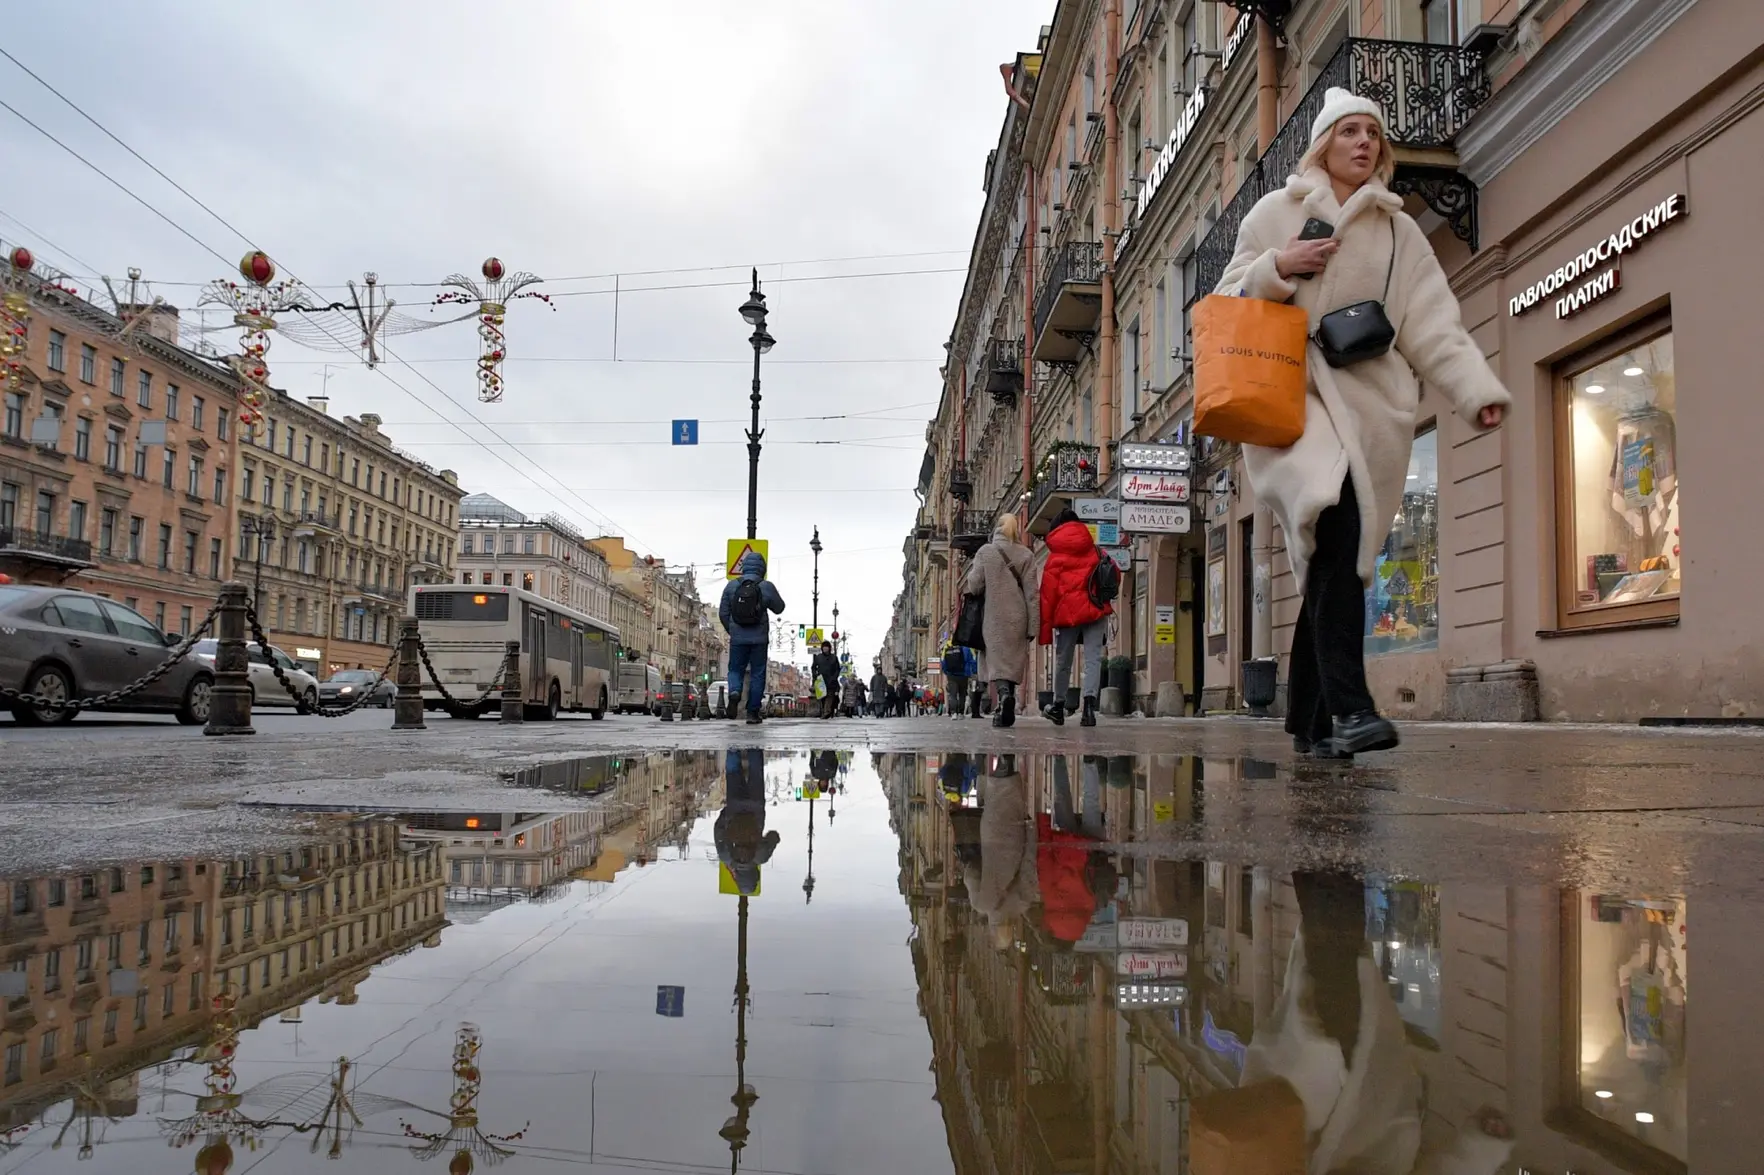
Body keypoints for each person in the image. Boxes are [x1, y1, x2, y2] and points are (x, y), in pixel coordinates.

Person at [1217, 89, 1508, 759]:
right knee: (1335, 515)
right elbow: (1224, 300)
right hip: (1291, 402)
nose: (1363, 144)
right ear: (1324, 143)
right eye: (1349, 131)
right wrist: (1277, 268)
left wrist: (1472, 389)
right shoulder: (1276, 214)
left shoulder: (1399, 232)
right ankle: (1352, 709)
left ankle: (1309, 721)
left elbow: (1434, 323)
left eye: (1372, 134)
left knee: (1334, 554)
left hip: (1372, 407)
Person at [1037, 507, 1112, 727]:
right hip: (1095, 609)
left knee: (1063, 660)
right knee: (1093, 659)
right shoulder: (1096, 550)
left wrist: (1044, 631)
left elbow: (1047, 596)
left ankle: (1059, 707)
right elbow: (1112, 574)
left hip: (1067, 615)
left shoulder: (1054, 558)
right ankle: (1089, 708)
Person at [963, 514, 1036, 728]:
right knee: (1011, 662)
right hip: (1018, 616)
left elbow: (975, 585)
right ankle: (1007, 707)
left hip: (993, 616)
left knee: (997, 662)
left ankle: (1004, 697)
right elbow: (1032, 594)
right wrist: (1033, 626)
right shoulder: (1026, 554)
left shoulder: (986, 552)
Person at [719, 552, 786, 724]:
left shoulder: (731, 586)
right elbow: (779, 608)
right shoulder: (766, 586)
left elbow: (723, 613)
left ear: (743, 566)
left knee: (735, 669)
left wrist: (733, 630)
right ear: (762, 568)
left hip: (738, 639)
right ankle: (752, 712)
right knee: (758, 673)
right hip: (759, 639)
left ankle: (734, 692)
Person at [715, 749, 780, 897]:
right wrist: (727, 813)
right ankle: (732, 748)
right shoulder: (726, 857)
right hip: (734, 807)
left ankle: (754, 745)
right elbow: (718, 830)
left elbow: (774, 836)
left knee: (755, 771)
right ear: (737, 877)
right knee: (733, 773)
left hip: (755, 807)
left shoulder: (760, 857)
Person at [811, 640, 841, 719]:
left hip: (831, 680)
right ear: (822, 648)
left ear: (829, 648)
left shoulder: (834, 657)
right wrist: (815, 675)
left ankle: (826, 712)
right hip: (821, 680)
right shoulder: (818, 657)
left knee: (830, 696)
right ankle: (826, 711)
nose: (825, 649)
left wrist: (834, 677)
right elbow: (813, 667)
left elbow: (838, 669)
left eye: (826, 647)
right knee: (822, 697)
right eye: (824, 647)